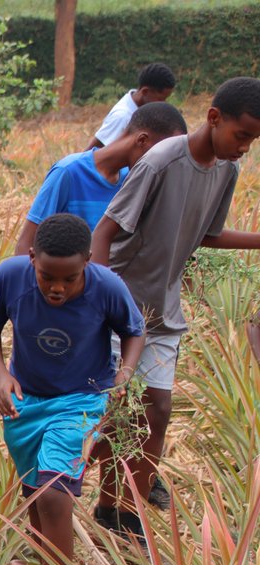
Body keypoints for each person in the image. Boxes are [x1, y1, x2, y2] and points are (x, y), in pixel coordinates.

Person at [91, 77, 260, 538]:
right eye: (242, 135)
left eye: (253, 140)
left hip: (162, 310)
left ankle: (128, 512)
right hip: (122, 306)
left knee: (157, 411)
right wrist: (102, 302)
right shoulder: (162, 160)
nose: (245, 148)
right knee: (120, 414)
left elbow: (209, 234)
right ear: (214, 118)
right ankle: (105, 504)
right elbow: (104, 232)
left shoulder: (226, 171)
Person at [0, 214, 143, 565]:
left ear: (88, 262)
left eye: (69, 279)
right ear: (32, 257)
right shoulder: (10, 277)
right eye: (47, 276)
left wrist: (124, 376)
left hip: (82, 401)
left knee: (53, 494)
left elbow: (134, 332)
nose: (57, 288)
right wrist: (0, 376)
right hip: (25, 402)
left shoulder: (107, 287)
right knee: (37, 501)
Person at [16, 102, 187, 255]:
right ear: (142, 140)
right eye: (164, 152)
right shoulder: (68, 172)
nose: (165, 162)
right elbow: (26, 243)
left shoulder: (133, 180)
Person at [87, 63, 177, 149]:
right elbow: (94, 152)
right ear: (145, 91)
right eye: (161, 99)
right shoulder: (123, 117)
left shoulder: (143, 109)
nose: (163, 103)